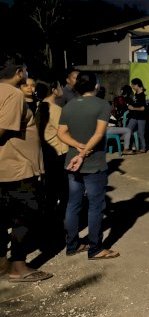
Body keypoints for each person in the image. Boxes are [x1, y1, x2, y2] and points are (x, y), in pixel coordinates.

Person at [0, 53, 52, 283]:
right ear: (19, 72)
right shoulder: (13, 94)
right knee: (25, 217)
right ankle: (18, 267)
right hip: (18, 168)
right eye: (26, 70)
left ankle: (2, 263)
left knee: (2, 219)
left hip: (5, 169)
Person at [58, 71, 119, 260]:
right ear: (95, 85)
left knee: (73, 204)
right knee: (95, 206)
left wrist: (77, 147)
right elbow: (99, 134)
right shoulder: (102, 104)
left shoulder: (69, 105)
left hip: (72, 162)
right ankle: (95, 248)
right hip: (94, 163)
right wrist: (84, 153)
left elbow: (61, 133)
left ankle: (72, 245)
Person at [35, 80, 70, 252]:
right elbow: (64, 133)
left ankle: (49, 231)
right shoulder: (55, 109)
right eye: (60, 86)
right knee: (63, 194)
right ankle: (58, 232)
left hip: (46, 154)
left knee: (50, 195)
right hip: (58, 155)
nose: (62, 89)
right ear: (54, 89)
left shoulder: (39, 107)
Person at [126, 77, 147, 153]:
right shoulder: (136, 94)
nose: (132, 86)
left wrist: (133, 108)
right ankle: (133, 146)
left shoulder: (142, 95)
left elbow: (143, 108)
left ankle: (143, 148)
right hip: (134, 116)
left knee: (141, 133)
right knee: (128, 130)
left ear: (137, 85)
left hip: (141, 117)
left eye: (133, 85)